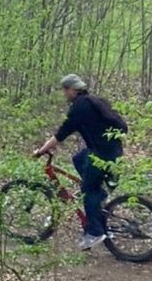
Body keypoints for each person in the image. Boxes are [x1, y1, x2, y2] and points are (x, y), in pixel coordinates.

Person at [32, 74, 127, 250]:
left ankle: (94, 232)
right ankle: (99, 197)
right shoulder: (93, 100)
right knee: (78, 158)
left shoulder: (80, 107)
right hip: (111, 150)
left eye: (66, 90)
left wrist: (42, 150)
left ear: (73, 90)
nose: (64, 93)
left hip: (102, 154)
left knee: (87, 189)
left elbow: (62, 133)